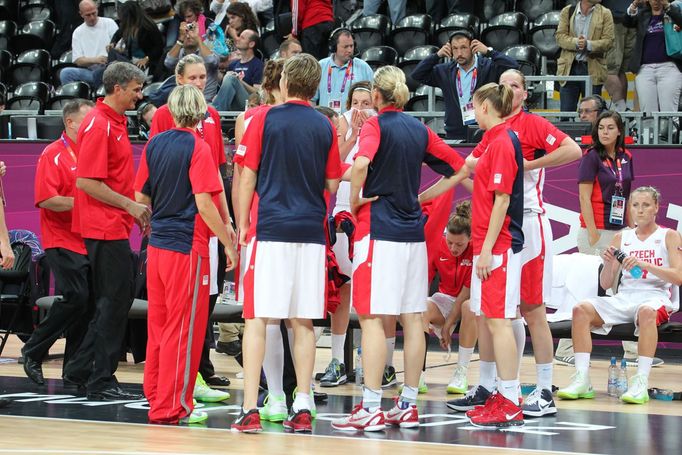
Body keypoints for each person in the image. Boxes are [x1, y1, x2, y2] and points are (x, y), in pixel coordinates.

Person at [331, 65, 469, 432]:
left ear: (377, 96)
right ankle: (407, 404)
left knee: (374, 319)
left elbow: (360, 163)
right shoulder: (419, 128)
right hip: (412, 234)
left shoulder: (376, 124)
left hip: (379, 232)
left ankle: (372, 406)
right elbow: (459, 169)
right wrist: (423, 196)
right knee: (412, 320)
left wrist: (356, 201)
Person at [449, 69, 582, 418]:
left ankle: (542, 390)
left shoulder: (532, 125)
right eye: (504, 84)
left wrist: (529, 164)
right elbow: (468, 168)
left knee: (531, 309)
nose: (509, 89)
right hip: (499, 221)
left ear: (523, 94)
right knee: (490, 312)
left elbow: (573, 150)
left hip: (528, 222)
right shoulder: (493, 133)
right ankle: (490, 386)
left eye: (516, 85)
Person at [232, 53, 342, 433]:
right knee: (303, 323)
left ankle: (250, 408)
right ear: (315, 86)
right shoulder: (326, 125)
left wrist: (243, 224)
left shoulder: (262, 118)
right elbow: (332, 184)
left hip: (272, 229)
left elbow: (246, 177)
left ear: (284, 82)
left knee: (258, 318)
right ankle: (304, 403)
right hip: (310, 234)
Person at [135, 84, 238, 425]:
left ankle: (154, 394)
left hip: (158, 247)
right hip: (187, 248)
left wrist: (156, 224)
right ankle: (171, 406)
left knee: (159, 325)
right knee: (184, 329)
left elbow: (140, 196)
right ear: (200, 112)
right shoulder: (198, 146)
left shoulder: (154, 144)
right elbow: (205, 203)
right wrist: (226, 239)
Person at [66, 62, 150, 401]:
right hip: (102, 227)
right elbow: (86, 181)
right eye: (135, 89)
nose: (139, 95)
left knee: (114, 302)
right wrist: (129, 205)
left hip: (112, 225)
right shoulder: (99, 124)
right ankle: (99, 379)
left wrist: (133, 207)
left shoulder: (114, 122)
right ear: (117, 88)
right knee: (113, 303)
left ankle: (80, 367)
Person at [558, 186, 682, 404]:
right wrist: (609, 264)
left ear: (656, 208)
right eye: (635, 205)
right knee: (581, 310)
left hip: (655, 297)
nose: (640, 210)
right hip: (624, 297)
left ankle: (640, 382)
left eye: (645, 205)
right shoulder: (621, 237)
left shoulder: (669, 236)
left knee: (646, 312)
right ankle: (582, 379)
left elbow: (678, 277)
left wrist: (644, 264)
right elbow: (606, 283)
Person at [460, 82, 525, 428]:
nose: (471, 111)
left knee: (499, 322)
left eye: (473, 105)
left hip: (497, 247)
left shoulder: (502, 141)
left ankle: (512, 400)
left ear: (484, 106)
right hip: (487, 243)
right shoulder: (493, 137)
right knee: (489, 319)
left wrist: (485, 250)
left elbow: (502, 199)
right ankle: (504, 394)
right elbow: (468, 164)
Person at [22, 100, 95, 386]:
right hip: (61, 240)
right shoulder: (53, 154)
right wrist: (88, 202)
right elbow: (47, 199)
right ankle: (33, 349)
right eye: (86, 120)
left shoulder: (90, 152)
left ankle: (74, 370)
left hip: (88, 239)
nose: (92, 126)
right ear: (71, 122)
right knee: (76, 296)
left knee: (87, 304)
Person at [316, 80, 374, 388]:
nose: (360, 110)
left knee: (371, 297)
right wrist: (351, 135)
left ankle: (378, 363)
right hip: (339, 220)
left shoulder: (380, 132)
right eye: (356, 103)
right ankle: (337, 360)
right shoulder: (340, 133)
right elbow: (333, 169)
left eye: (366, 104)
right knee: (340, 293)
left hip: (369, 218)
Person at [412, 30, 518, 141]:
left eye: (463, 48)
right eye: (455, 48)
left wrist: (489, 52)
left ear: (473, 47)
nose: (459, 53)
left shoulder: (488, 67)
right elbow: (417, 74)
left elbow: (513, 66)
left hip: (484, 130)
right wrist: (437, 55)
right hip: (454, 133)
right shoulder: (445, 71)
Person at [421, 202, 475, 395]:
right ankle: (417, 375)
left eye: (459, 244)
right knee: (420, 311)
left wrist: (448, 325)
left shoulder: (477, 249)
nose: (453, 248)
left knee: (469, 306)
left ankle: (461, 373)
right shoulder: (437, 245)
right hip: (444, 299)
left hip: (468, 299)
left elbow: (466, 292)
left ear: (470, 238)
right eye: (450, 242)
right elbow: (425, 278)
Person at [577, 111, 634, 254]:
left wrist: (632, 229)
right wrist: (593, 233)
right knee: (596, 276)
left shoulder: (626, 155)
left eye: (610, 128)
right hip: (597, 229)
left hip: (621, 229)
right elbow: (584, 198)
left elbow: (627, 196)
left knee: (621, 276)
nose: (605, 132)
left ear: (619, 131)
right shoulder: (591, 156)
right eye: (601, 128)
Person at [625, 0, 682, 128]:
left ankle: (672, 144)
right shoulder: (643, 15)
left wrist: (667, 6)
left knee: (669, 113)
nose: (655, 1)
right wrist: (634, 4)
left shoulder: (674, 11)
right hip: (645, 70)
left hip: (669, 67)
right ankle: (649, 144)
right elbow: (627, 21)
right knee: (647, 114)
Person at [556, 0, 615, 113]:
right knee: (566, 115)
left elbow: (609, 41)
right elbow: (560, 37)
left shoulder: (605, 13)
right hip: (569, 69)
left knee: (593, 114)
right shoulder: (567, 11)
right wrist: (576, 42)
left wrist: (589, 44)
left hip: (593, 69)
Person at [60, 0, 118, 88]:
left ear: (97, 9)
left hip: (110, 69)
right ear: (81, 14)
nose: (92, 17)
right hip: (91, 72)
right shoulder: (78, 32)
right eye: (88, 15)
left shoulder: (109, 23)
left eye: (94, 13)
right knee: (65, 73)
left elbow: (120, 48)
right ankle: (76, 101)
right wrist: (96, 60)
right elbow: (78, 60)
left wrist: (111, 54)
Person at [314, 28, 374, 113]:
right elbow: (311, 99)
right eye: (345, 47)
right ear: (333, 47)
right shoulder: (321, 66)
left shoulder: (363, 67)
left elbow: (373, 99)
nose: (349, 50)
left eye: (351, 46)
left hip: (353, 122)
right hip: (325, 122)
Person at [165, 15, 222, 102]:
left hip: (206, 102)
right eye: (186, 33)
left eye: (191, 32)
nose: (188, 36)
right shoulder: (179, 53)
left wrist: (198, 38)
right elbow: (168, 63)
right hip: (185, 102)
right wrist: (180, 39)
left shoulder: (207, 51)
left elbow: (212, 61)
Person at [108, 1, 165, 82]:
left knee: (113, 57)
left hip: (142, 63)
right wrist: (113, 43)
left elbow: (159, 47)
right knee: (112, 53)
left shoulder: (148, 27)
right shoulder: (127, 25)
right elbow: (117, 35)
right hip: (130, 60)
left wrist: (147, 58)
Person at [212, 29, 264, 111]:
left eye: (242, 38)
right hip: (232, 102)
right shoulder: (233, 64)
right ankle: (215, 109)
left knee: (230, 78)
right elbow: (226, 88)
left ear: (251, 44)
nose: (238, 39)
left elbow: (257, 92)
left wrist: (239, 81)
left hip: (248, 103)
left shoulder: (258, 65)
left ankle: (215, 112)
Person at [603, 0, 638, 112]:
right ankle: (624, 114)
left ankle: (622, 111)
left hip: (614, 18)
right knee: (620, 70)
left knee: (609, 70)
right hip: (633, 17)